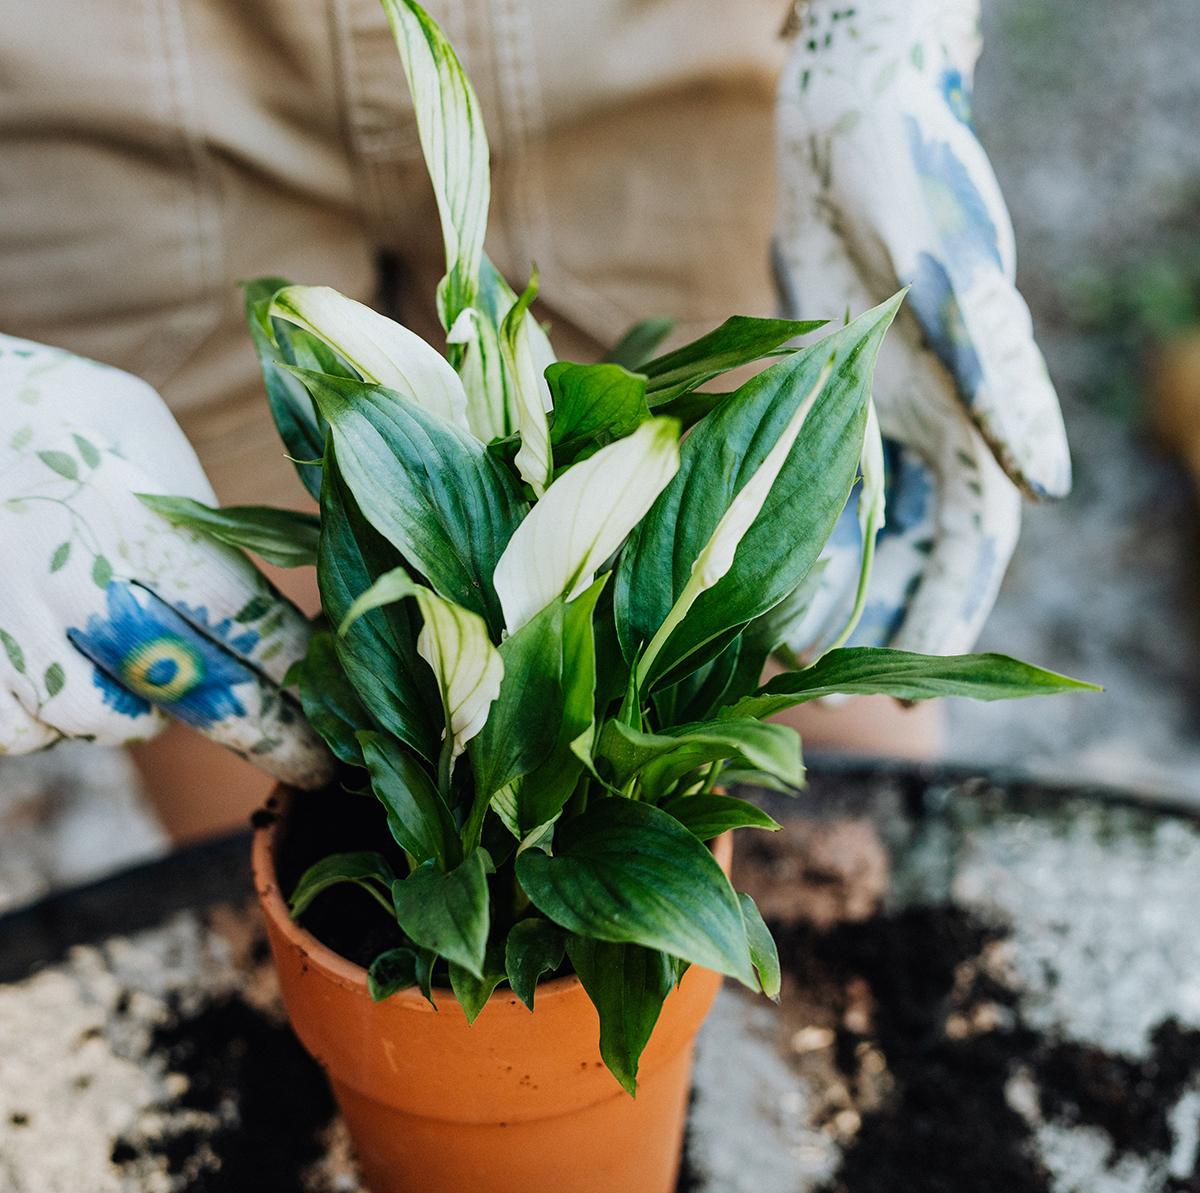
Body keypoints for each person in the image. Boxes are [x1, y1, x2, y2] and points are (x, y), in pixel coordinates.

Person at [0, 0, 1069, 840]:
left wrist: (891, 28)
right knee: (271, 747)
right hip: (97, 71)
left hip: (628, 38)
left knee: (817, 801)